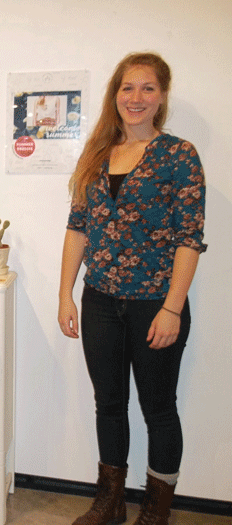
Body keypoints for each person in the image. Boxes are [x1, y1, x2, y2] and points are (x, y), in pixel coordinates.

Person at [58, 52, 206, 525]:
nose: (135, 98)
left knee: (159, 408)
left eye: (147, 88)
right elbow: (78, 228)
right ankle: (111, 501)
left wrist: (173, 309)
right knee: (109, 404)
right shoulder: (97, 155)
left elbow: (189, 238)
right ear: (114, 94)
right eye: (127, 88)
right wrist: (66, 294)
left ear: (161, 97)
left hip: (155, 305)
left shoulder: (179, 155)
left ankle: (156, 510)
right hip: (100, 300)